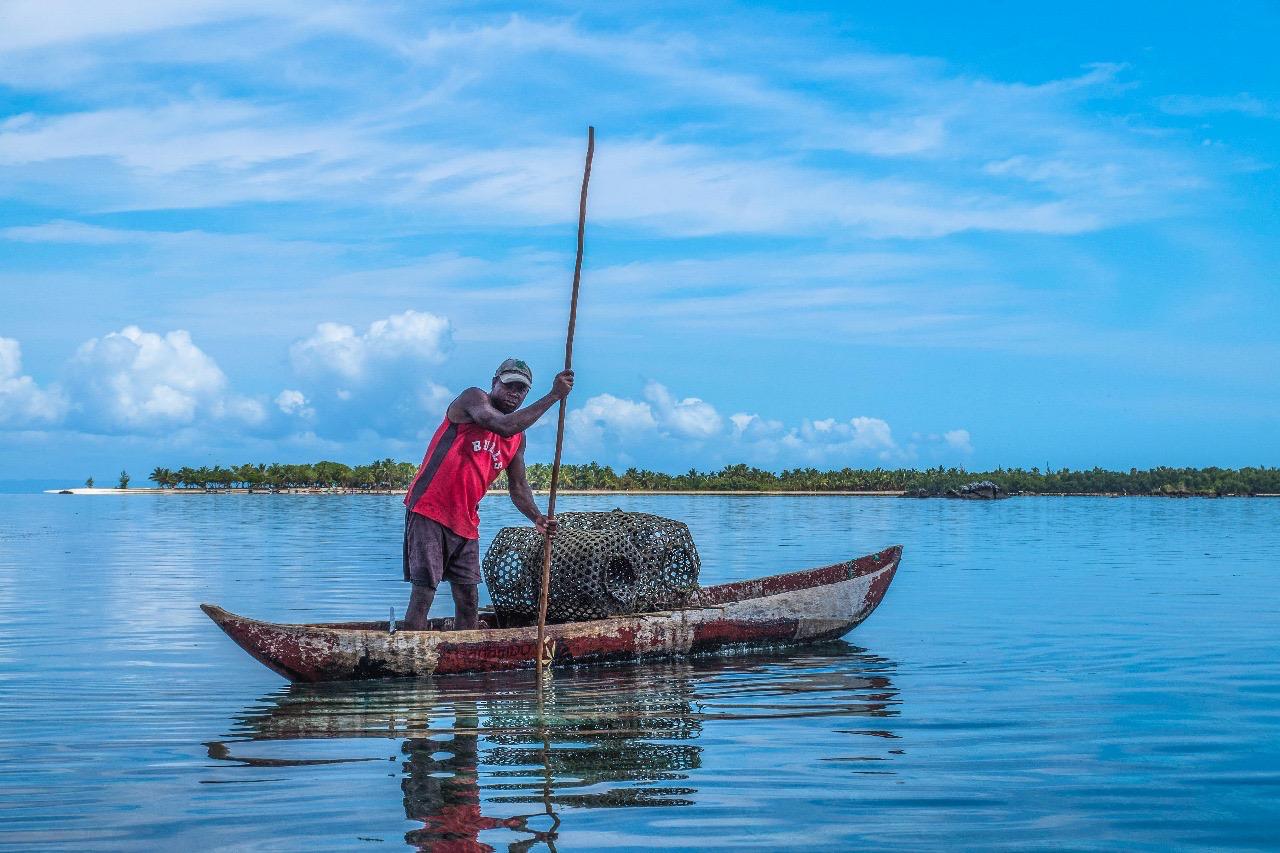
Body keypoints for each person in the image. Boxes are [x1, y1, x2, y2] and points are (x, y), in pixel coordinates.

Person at [402, 357, 573, 631]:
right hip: (429, 509)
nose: (513, 394)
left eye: (521, 390)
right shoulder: (473, 400)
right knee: (425, 590)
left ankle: (465, 653)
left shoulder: (518, 438)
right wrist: (554, 395)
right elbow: (503, 425)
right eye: (508, 386)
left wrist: (537, 518)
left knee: (468, 598)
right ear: (494, 383)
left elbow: (518, 486)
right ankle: (409, 650)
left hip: (466, 520)